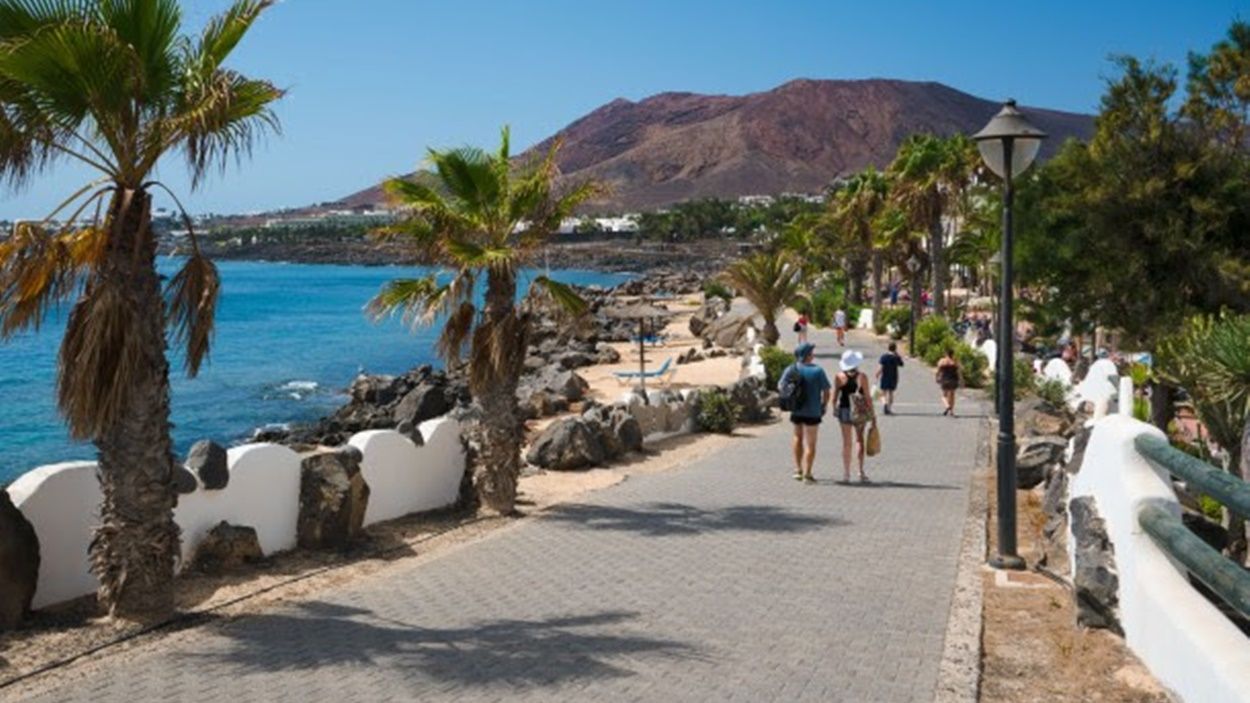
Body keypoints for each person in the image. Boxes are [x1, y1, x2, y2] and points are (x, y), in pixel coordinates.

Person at [782, 342, 831, 483]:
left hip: (796, 409)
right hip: (813, 411)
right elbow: (826, 391)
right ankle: (808, 474)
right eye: (811, 353)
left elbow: (781, 385)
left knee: (797, 437)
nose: (813, 355)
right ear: (807, 355)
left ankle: (798, 470)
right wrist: (824, 405)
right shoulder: (818, 371)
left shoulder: (791, 369)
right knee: (811, 443)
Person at [834, 349, 873, 482]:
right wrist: (872, 414)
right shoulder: (862, 377)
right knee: (859, 440)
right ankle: (860, 471)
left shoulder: (839, 377)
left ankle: (846, 473)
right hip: (859, 410)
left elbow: (835, 396)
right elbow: (867, 397)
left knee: (846, 442)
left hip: (844, 409)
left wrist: (834, 408)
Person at [876, 342, 904, 415]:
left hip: (885, 376)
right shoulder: (896, 357)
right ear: (895, 348)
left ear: (888, 348)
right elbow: (901, 364)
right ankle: (889, 408)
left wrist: (877, 373)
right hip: (893, 376)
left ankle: (884, 403)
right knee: (891, 393)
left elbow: (881, 367)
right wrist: (897, 355)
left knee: (883, 393)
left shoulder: (884, 357)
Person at [936, 347, 961, 417]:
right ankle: (952, 411)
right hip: (954, 379)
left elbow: (938, 371)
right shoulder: (955, 361)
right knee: (952, 395)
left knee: (944, 395)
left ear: (946, 354)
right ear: (953, 354)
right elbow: (959, 372)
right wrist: (962, 380)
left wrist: (937, 377)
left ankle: (947, 406)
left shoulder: (942, 361)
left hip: (945, 379)